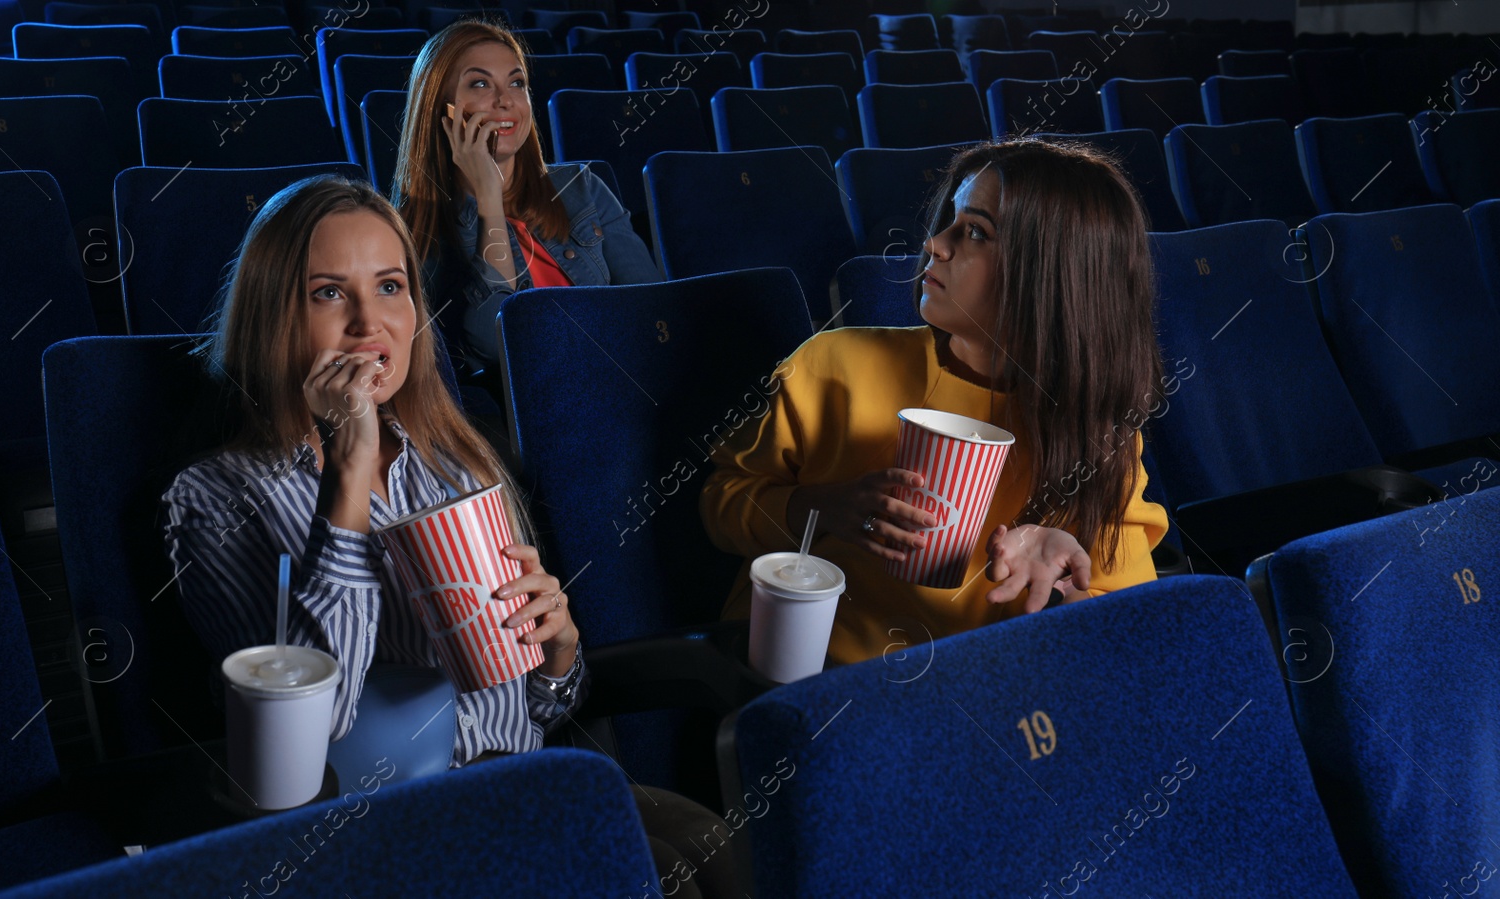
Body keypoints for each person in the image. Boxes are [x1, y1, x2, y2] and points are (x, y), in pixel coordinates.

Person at [161, 176, 735, 899]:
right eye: (329, 293)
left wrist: (557, 653)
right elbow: (313, 733)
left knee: (715, 847)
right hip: (381, 826)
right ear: (272, 315)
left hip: (518, 780)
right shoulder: (214, 498)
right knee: (655, 877)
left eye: (391, 286)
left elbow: (533, 708)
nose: (370, 323)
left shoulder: (455, 465)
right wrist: (348, 472)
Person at [701, 139, 1172, 665]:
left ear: (1050, 274)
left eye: (975, 232)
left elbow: (1119, 618)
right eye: (949, 220)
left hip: (983, 699)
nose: (934, 244)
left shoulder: (1101, 433)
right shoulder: (832, 364)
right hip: (817, 684)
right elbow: (721, 502)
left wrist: (1059, 584)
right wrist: (824, 507)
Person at [391, 20, 661, 369]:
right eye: (480, 83)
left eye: (517, 83)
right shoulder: (417, 229)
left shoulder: (581, 187)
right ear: (442, 111)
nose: (505, 100)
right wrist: (487, 195)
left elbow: (654, 305)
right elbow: (496, 341)